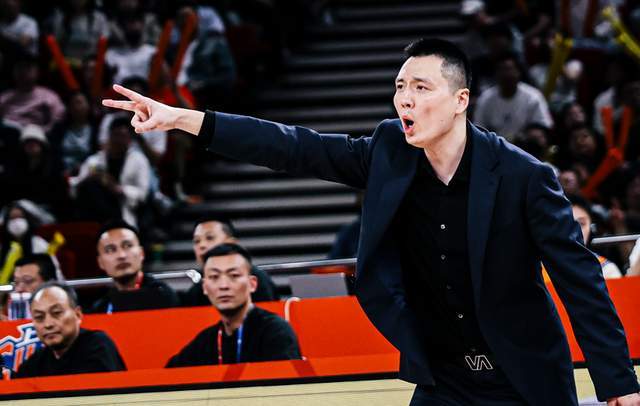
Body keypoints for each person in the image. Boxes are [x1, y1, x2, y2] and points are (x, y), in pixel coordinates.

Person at [103, 38, 640, 405]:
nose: (405, 99)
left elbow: (580, 280)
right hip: (445, 376)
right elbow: (294, 147)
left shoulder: (525, 176)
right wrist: (182, 119)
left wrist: (618, 381)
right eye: (400, 86)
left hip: (522, 376)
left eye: (421, 88)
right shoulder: (389, 149)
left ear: (460, 101)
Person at [166, 243, 300, 367]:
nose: (224, 285)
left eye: (234, 275)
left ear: (252, 284)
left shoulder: (275, 331)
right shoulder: (206, 341)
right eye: (214, 277)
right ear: (205, 287)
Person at [13, 282, 126, 378]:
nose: (48, 324)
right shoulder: (36, 362)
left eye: (56, 313)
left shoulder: (98, 345)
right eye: (39, 317)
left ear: (78, 315)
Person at [181, 218, 277, 307]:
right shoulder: (195, 290)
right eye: (197, 241)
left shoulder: (258, 279)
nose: (202, 245)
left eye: (210, 238)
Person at [90, 220, 178, 313]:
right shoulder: (101, 307)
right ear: (100, 262)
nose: (121, 255)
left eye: (128, 246)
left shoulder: (164, 297)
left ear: (141, 253)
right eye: (110, 250)